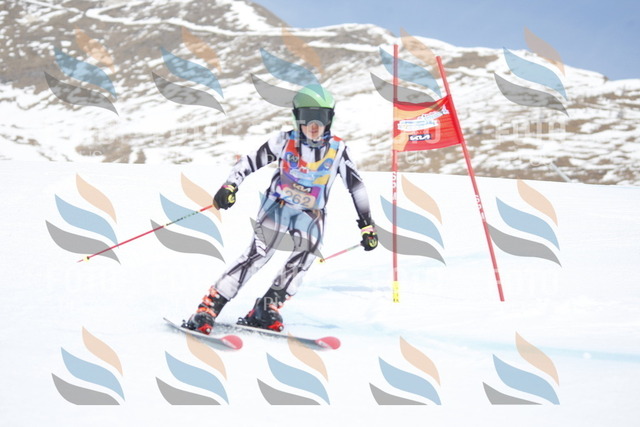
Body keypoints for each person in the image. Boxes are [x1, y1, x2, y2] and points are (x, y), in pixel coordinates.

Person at [184, 84, 378, 335]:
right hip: (277, 206)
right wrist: (230, 185)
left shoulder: (338, 149)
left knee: (305, 256)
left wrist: (367, 224)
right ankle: (209, 307)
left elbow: (357, 187)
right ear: (297, 117)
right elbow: (249, 162)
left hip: (311, 214)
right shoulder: (284, 141)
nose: (314, 125)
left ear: (330, 119)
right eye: (308, 117)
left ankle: (267, 308)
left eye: (321, 117)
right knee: (258, 255)